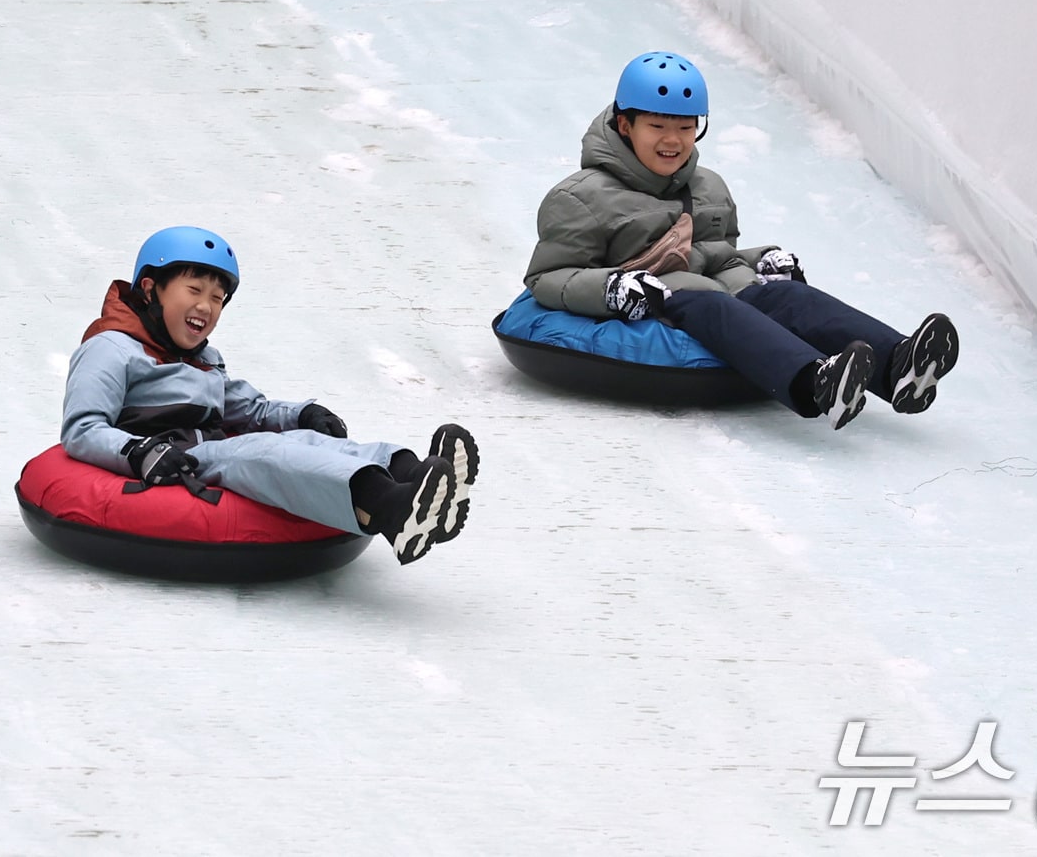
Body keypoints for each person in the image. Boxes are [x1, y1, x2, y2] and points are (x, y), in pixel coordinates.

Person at [525, 51, 959, 429]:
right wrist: (611, 290)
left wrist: (762, 260)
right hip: (655, 304)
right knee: (714, 306)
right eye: (657, 126)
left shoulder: (707, 186)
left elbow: (717, 255)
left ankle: (899, 367)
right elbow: (547, 276)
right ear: (625, 124)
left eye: (685, 127)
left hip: (718, 293)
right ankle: (815, 383)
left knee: (789, 296)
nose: (673, 140)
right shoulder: (580, 197)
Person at [61, 225, 478, 564]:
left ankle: (413, 474)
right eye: (194, 290)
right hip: (173, 461)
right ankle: (390, 509)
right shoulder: (111, 348)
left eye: (218, 298)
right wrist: (140, 452)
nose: (206, 307)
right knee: (264, 453)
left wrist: (302, 414)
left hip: (212, 450)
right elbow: (82, 428)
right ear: (151, 289)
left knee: (304, 442)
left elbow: (252, 408)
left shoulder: (203, 359)